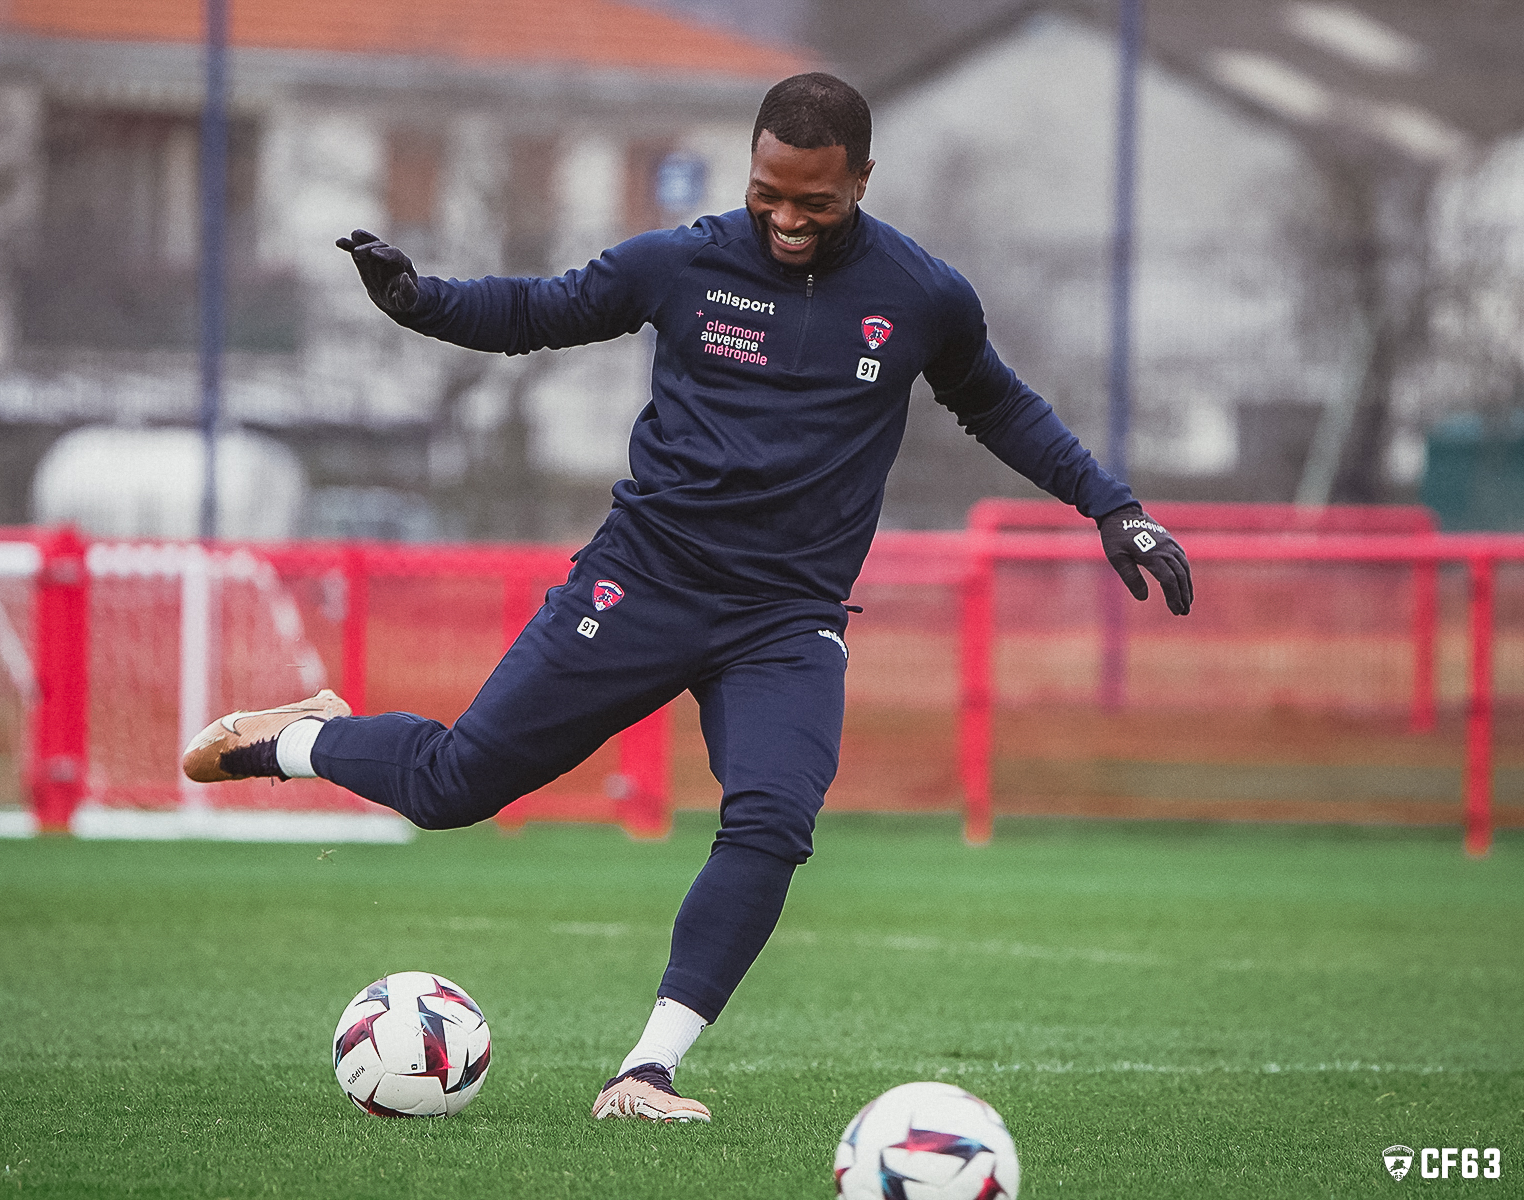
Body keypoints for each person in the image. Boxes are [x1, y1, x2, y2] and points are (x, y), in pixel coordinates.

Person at [183, 72, 1191, 1124]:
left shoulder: (922, 295)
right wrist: (417, 300)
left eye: (817, 202)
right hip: (645, 580)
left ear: (862, 180)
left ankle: (646, 1071)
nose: (788, 220)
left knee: (771, 817)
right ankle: (291, 740)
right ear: (750, 169)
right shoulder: (681, 263)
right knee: (451, 789)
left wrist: (1111, 506)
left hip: (785, 619)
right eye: (769, 194)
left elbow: (1000, 407)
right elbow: (538, 311)